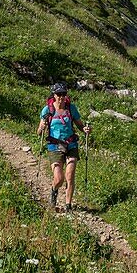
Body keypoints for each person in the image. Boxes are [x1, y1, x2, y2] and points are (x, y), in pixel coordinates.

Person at [36, 83, 91, 211]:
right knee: (59, 178)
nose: (61, 97)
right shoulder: (47, 110)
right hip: (54, 145)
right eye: (59, 94)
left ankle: (68, 205)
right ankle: (54, 191)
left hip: (71, 144)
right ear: (54, 95)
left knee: (70, 175)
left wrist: (86, 129)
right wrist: (41, 128)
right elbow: (39, 132)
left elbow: (80, 125)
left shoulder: (71, 108)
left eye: (63, 94)